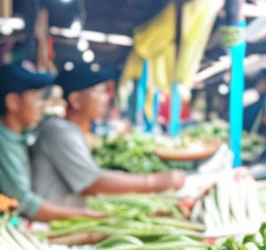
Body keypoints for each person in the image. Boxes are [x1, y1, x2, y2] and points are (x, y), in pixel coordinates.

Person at [30, 66, 186, 208]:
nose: (106, 99)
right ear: (76, 100)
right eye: (99, 92)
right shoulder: (59, 131)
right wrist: (156, 181)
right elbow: (92, 182)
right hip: (51, 222)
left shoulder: (72, 131)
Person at [0, 64, 99, 222]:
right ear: (12, 102)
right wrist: (82, 214)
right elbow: (24, 203)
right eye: (35, 97)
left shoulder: (15, 137)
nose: (41, 104)